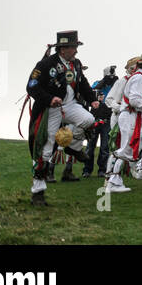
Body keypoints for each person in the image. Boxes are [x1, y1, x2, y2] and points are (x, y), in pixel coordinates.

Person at [26, 30, 100, 207]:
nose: (76, 51)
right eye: (74, 47)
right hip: (51, 109)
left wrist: (92, 100)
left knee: (89, 121)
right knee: (45, 150)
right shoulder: (45, 64)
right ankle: (38, 192)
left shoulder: (77, 64)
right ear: (63, 49)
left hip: (71, 105)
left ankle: (73, 148)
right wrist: (49, 99)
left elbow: (82, 83)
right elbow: (31, 86)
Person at [106, 51, 142, 194]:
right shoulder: (139, 79)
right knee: (126, 149)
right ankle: (113, 181)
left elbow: (141, 99)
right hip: (130, 116)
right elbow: (134, 100)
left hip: (136, 117)